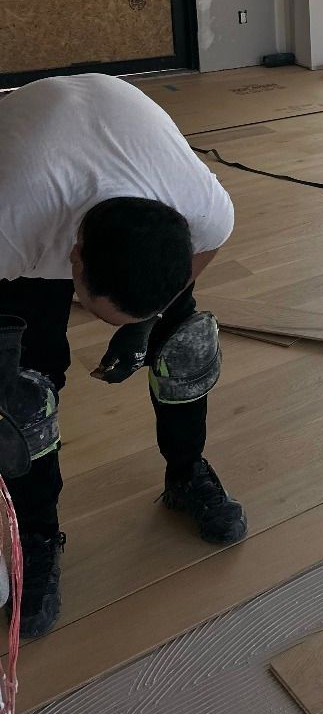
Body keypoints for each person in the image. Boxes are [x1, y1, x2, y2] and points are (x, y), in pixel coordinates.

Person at [0, 73, 247, 639]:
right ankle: (36, 535)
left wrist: (146, 327)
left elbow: (198, 260)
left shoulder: (201, 209)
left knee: (185, 348)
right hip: (34, 153)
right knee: (19, 389)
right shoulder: (11, 221)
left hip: (115, 125)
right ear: (73, 261)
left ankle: (186, 476)